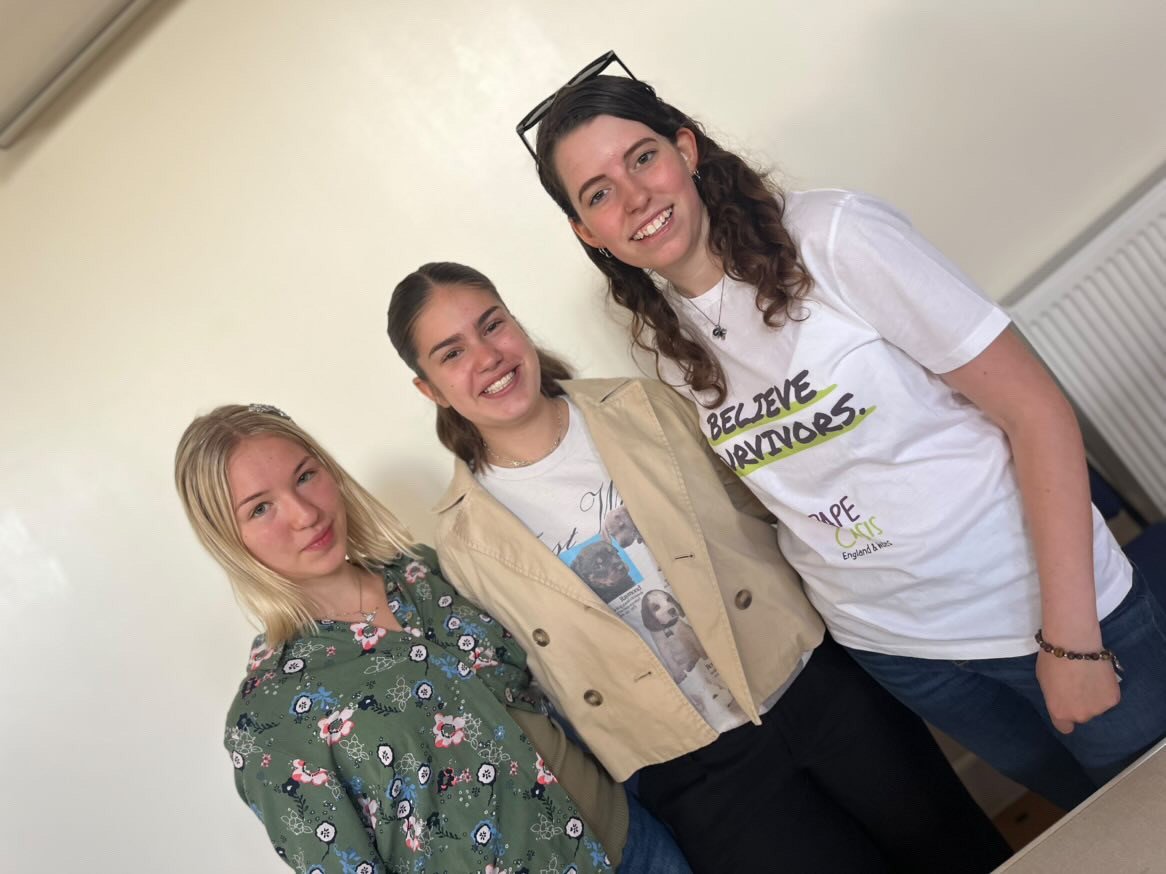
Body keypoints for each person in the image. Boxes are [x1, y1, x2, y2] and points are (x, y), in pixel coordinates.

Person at [525, 52, 1166, 812]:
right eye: (600, 193)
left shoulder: (833, 237)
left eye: (643, 158)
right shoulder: (664, 341)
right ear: (586, 230)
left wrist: (1072, 637)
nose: (634, 198)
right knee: (1097, 828)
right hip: (901, 649)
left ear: (687, 149)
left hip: (1041, 609)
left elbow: (1036, 412)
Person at [387, 261, 1011, 873]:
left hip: (815, 684)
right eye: (451, 353)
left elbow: (766, 511)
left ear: (517, 325)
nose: (487, 356)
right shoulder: (464, 540)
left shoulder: (646, 407)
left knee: (958, 853)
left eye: (492, 325)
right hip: (699, 774)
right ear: (430, 389)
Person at [173, 403, 692, 873]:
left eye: (305, 476)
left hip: (637, 841)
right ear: (227, 536)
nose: (304, 514)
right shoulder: (266, 719)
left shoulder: (428, 570)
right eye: (260, 508)